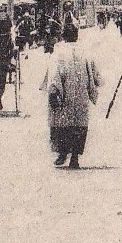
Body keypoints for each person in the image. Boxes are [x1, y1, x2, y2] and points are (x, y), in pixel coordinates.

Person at [40, 24, 101, 169]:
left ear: (64, 36)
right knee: (79, 125)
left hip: (64, 95)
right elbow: (95, 74)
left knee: (62, 123)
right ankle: (74, 157)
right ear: (77, 35)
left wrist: (53, 90)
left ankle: (62, 153)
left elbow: (54, 74)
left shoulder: (59, 52)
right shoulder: (85, 51)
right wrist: (94, 85)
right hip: (81, 95)